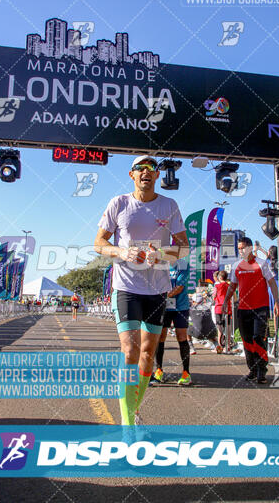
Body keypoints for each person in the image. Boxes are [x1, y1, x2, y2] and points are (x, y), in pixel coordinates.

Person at [94, 155, 189, 425]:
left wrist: (159, 253)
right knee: (130, 352)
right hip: (126, 287)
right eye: (140, 168)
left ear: (158, 175)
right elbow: (99, 243)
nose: (146, 172)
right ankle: (126, 424)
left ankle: (133, 409)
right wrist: (123, 252)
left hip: (157, 289)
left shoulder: (169, 205)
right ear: (131, 174)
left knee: (148, 354)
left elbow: (184, 247)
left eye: (151, 168)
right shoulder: (119, 203)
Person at [222, 236, 279, 384]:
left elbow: (272, 283)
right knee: (247, 340)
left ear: (249, 248)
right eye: (239, 248)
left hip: (260, 308)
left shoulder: (261, 264)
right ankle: (252, 369)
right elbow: (232, 286)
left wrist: (276, 303)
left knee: (257, 337)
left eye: (242, 248)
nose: (240, 251)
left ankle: (262, 370)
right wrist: (226, 301)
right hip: (243, 309)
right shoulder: (237, 265)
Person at [150, 259, 192, 386]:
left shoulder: (184, 265)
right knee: (160, 337)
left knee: (181, 337)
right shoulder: (161, 264)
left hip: (181, 306)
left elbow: (179, 287)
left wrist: (162, 297)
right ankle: (159, 370)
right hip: (164, 307)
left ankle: (186, 373)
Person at [187, 285, 222, 354]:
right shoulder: (208, 307)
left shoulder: (191, 309)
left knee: (186, 329)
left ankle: (191, 348)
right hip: (211, 332)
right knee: (209, 330)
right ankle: (216, 344)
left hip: (198, 333)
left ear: (193, 301)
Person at [213, 270, 233, 352]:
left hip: (219, 308)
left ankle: (219, 346)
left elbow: (214, 296)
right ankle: (227, 346)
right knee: (227, 326)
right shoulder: (230, 286)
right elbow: (233, 297)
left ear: (220, 277)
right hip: (228, 308)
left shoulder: (217, 286)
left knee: (219, 327)